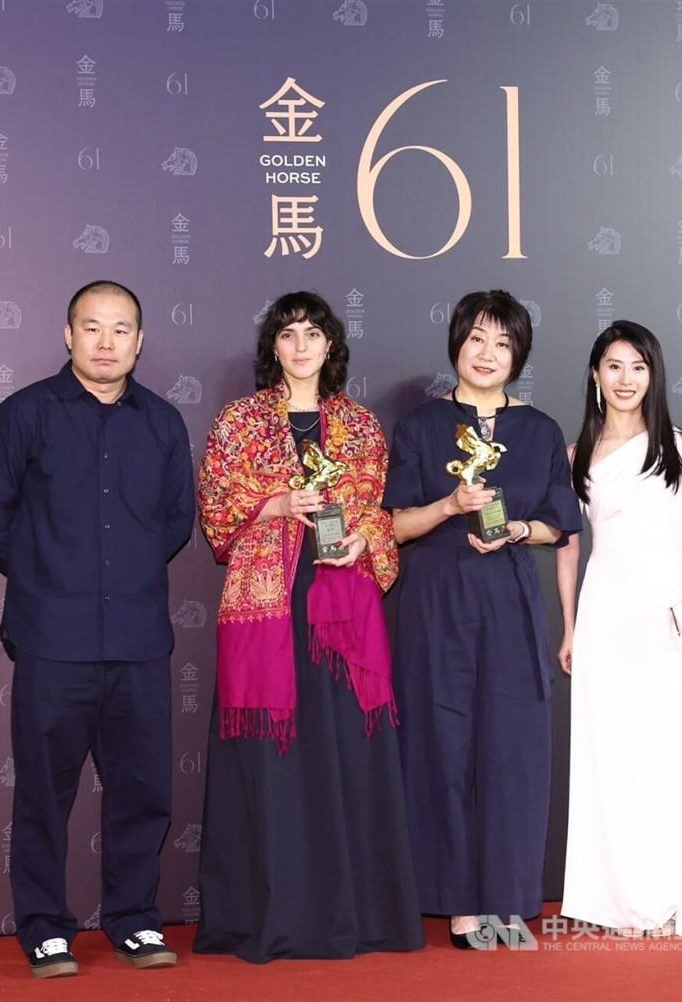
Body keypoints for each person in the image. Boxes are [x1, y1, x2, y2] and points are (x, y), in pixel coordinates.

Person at [0, 281, 194, 978]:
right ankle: (44, 928)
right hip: (51, 639)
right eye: (92, 328)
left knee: (143, 790)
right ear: (68, 335)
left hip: (136, 640)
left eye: (121, 329)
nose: (106, 342)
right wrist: (44, 577)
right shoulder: (24, 414)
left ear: (140, 340)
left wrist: (119, 575)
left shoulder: (161, 423)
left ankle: (133, 921)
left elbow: (175, 521)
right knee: (43, 793)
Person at [193, 291, 423, 964]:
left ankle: (355, 915)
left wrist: (363, 544)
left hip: (340, 615)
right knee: (273, 764)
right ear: (273, 347)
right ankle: (269, 916)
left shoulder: (358, 425)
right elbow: (217, 514)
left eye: (313, 333)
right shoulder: (239, 423)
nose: (300, 345)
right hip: (267, 609)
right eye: (288, 333)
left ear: (331, 346)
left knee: (342, 757)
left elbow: (380, 513)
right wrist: (276, 503)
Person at [383, 290, 582, 948]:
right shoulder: (419, 426)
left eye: (501, 342)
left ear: (518, 353)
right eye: (476, 339)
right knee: (439, 748)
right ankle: (458, 902)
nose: (487, 353)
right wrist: (448, 505)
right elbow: (396, 526)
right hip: (435, 601)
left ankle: (506, 897)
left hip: (508, 599)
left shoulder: (542, 430)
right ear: (456, 346)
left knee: (511, 749)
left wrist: (516, 527)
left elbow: (558, 524)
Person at [558, 321, 682, 938]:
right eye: (614, 366)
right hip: (606, 619)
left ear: (653, 375)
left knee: (667, 751)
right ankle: (616, 901)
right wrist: (571, 629)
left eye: (638, 367)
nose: (626, 379)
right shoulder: (577, 457)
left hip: (667, 624)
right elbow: (569, 550)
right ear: (594, 375)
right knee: (610, 757)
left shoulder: (679, 446)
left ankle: (667, 896)